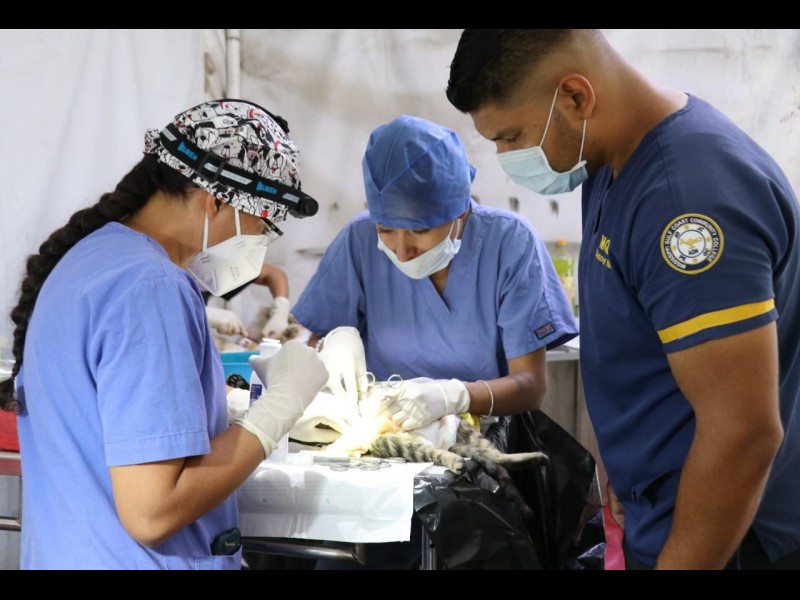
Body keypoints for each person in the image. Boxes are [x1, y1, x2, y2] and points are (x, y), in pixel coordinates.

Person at [445, 29, 800, 570]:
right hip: (659, 510)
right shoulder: (609, 161)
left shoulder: (686, 198)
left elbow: (743, 434)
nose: (506, 157)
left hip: (727, 537)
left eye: (512, 136)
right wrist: (627, 465)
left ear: (575, 97)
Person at [0, 99, 329, 569]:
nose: (260, 244)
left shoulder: (89, 260)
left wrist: (214, 414)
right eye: (263, 225)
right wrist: (277, 409)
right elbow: (152, 512)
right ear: (218, 200)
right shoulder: (151, 286)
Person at [291, 114, 578, 569]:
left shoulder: (510, 244)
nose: (401, 249)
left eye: (420, 231)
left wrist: (453, 395)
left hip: (473, 470)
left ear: (459, 212)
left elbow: (530, 386)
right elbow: (311, 343)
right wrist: (331, 344)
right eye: (386, 229)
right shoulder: (358, 241)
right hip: (376, 468)